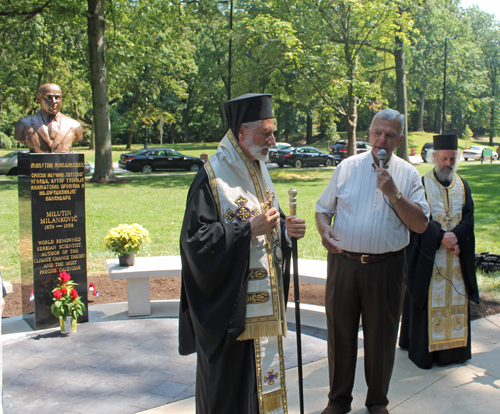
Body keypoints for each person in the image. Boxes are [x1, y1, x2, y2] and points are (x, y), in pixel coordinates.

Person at [178, 93, 306, 414]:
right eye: (266, 133)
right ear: (242, 133)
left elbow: (269, 226)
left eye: (273, 132)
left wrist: (286, 233)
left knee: (262, 393)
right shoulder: (212, 177)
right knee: (229, 397)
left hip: (264, 308)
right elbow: (195, 242)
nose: (273, 140)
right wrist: (248, 229)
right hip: (231, 314)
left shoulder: (260, 168)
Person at [315, 108, 430, 414]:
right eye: (377, 133)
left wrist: (394, 194)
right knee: (339, 335)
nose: (382, 140)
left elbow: (420, 224)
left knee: (381, 338)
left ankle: (377, 402)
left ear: (400, 139)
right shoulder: (347, 167)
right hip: (344, 264)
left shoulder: (408, 174)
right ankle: (338, 401)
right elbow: (323, 209)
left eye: (389, 135)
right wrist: (324, 229)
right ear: (369, 133)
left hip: (387, 268)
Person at [399, 134, 479, 369]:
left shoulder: (463, 185)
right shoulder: (421, 184)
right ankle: (427, 353)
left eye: (452, 159)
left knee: (456, 299)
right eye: (444, 158)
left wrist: (457, 236)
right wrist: (440, 236)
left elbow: (469, 217)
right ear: (435, 157)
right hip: (429, 260)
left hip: (454, 258)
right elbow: (415, 218)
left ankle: (454, 352)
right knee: (427, 298)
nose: (448, 163)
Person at [14, 83, 82, 153]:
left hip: (63, 163)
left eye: (57, 98)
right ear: (38, 99)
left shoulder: (74, 125)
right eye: (49, 98)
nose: (54, 101)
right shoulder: (24, 124)